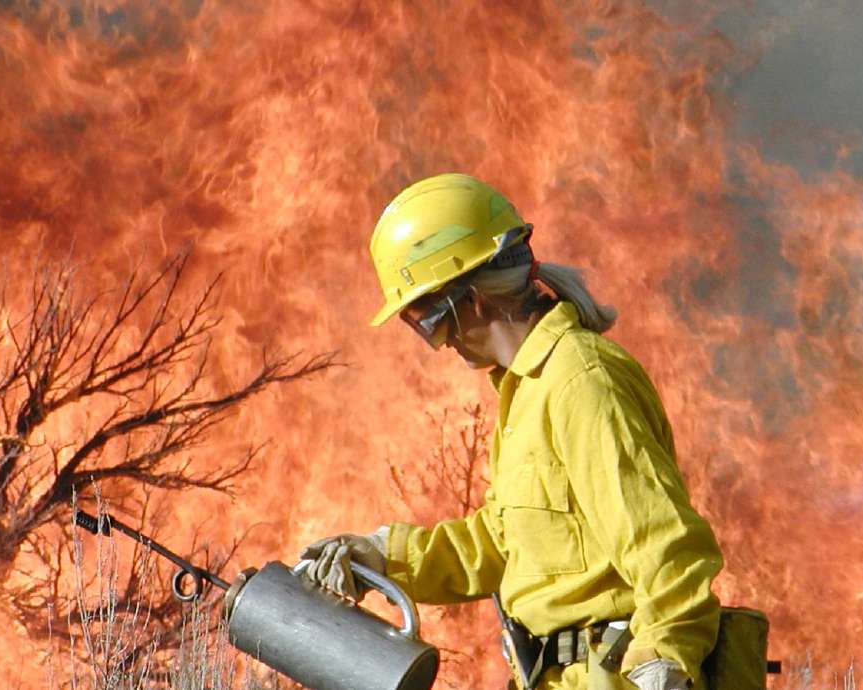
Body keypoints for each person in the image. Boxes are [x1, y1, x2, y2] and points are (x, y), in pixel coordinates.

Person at [300, 173, 724, 690]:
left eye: (426, 321)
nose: (439, 343)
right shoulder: (526, 391)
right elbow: (503, 542)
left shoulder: (583, 382)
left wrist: (665, 658)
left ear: (470, 298)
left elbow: (666, 545)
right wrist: (383, 555)